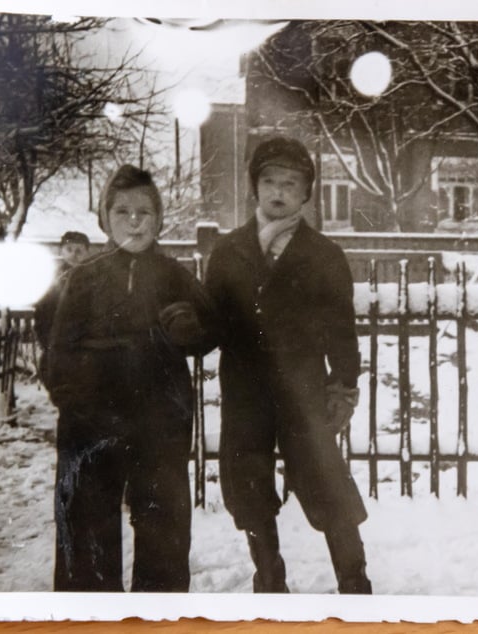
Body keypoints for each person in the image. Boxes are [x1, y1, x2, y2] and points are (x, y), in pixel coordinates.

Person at [195, 136, 372, 594]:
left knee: (327, 484)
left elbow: (341, 329)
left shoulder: (324, 255)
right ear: (255, 187)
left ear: (306, 193)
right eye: (270, 181)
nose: (278, 191)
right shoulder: (229, 251)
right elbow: (210, 323)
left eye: (290, 183)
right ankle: (269, 580)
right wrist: (188, 321)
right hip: (246, 393)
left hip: (303, 392)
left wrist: (343, 385)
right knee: (249, 489)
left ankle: (354, 580)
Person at [45, 165, 211, 592]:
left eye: (144, 212)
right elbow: (58, 351)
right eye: (122, 212)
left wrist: (191, 328)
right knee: (86, 528)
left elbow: (210, 331)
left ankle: (156, 615)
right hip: (91, 421)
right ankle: (89, 617)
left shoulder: (175, 275)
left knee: (163, 527)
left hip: (160, 419)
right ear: (106, 219)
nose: (134, 221)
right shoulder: (83, 278)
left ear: (158, 219)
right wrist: (74, 398)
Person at [34, 231, 90, 390]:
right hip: (57, 343)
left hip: (84, 347)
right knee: (58, 387)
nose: (74, 255)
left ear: (87, 253)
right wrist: (47, 342)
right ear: (61, 251)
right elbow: (41, 313)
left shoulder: (93, 279)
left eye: (79, 250)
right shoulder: (52, 279)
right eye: (69, 249)